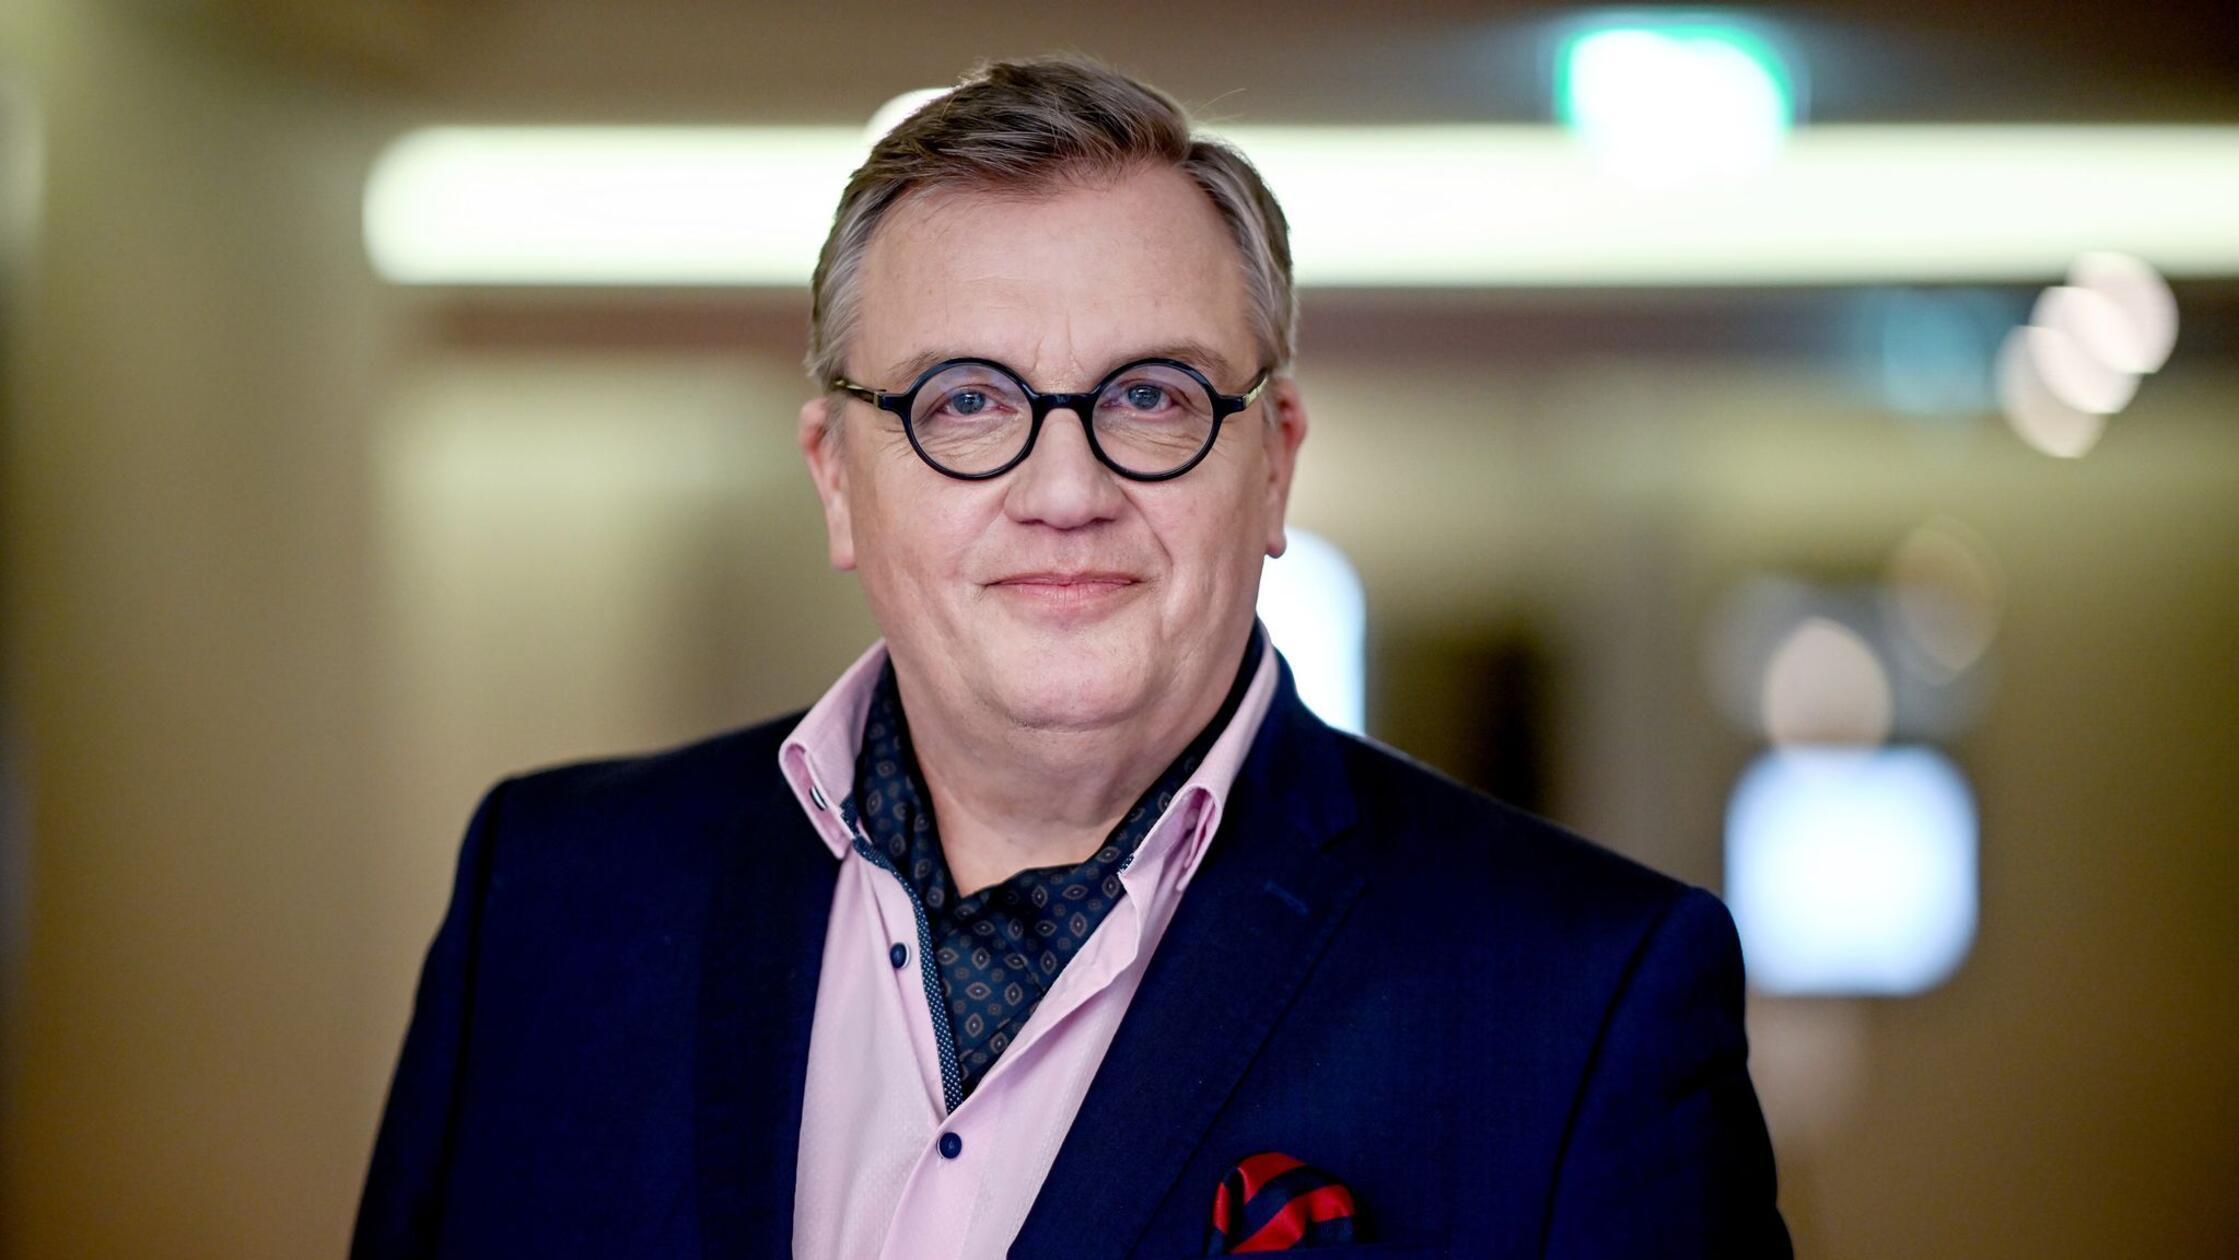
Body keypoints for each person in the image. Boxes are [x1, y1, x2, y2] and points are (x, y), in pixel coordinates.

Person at [351, 55, 1789, 1260]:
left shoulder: (1583, 998)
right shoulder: (548, 901)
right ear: (837, 477)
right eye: (965, 402)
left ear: (1275, 464)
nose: (1064, 489)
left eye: (1152, 397)